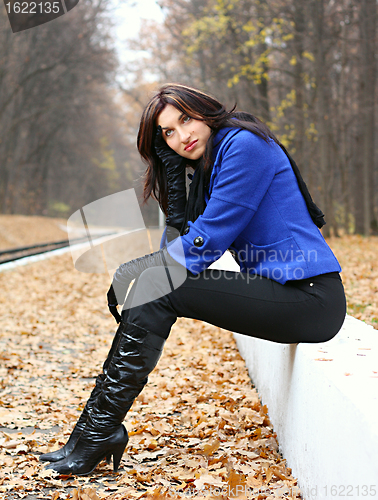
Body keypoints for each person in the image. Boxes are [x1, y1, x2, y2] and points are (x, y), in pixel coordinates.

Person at [41, 83, 346, 475]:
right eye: (168, 132)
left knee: (159, 286)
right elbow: (184, 242)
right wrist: (172, 176)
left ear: (205, 110)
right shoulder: (212, 161)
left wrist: (137, 269)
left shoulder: (244, 146)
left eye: (185, 119)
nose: (181, 136)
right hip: (283, 291)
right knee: (158, 283)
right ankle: (90, 432)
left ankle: (98, 431)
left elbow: (202, 248)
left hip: (310, 298)